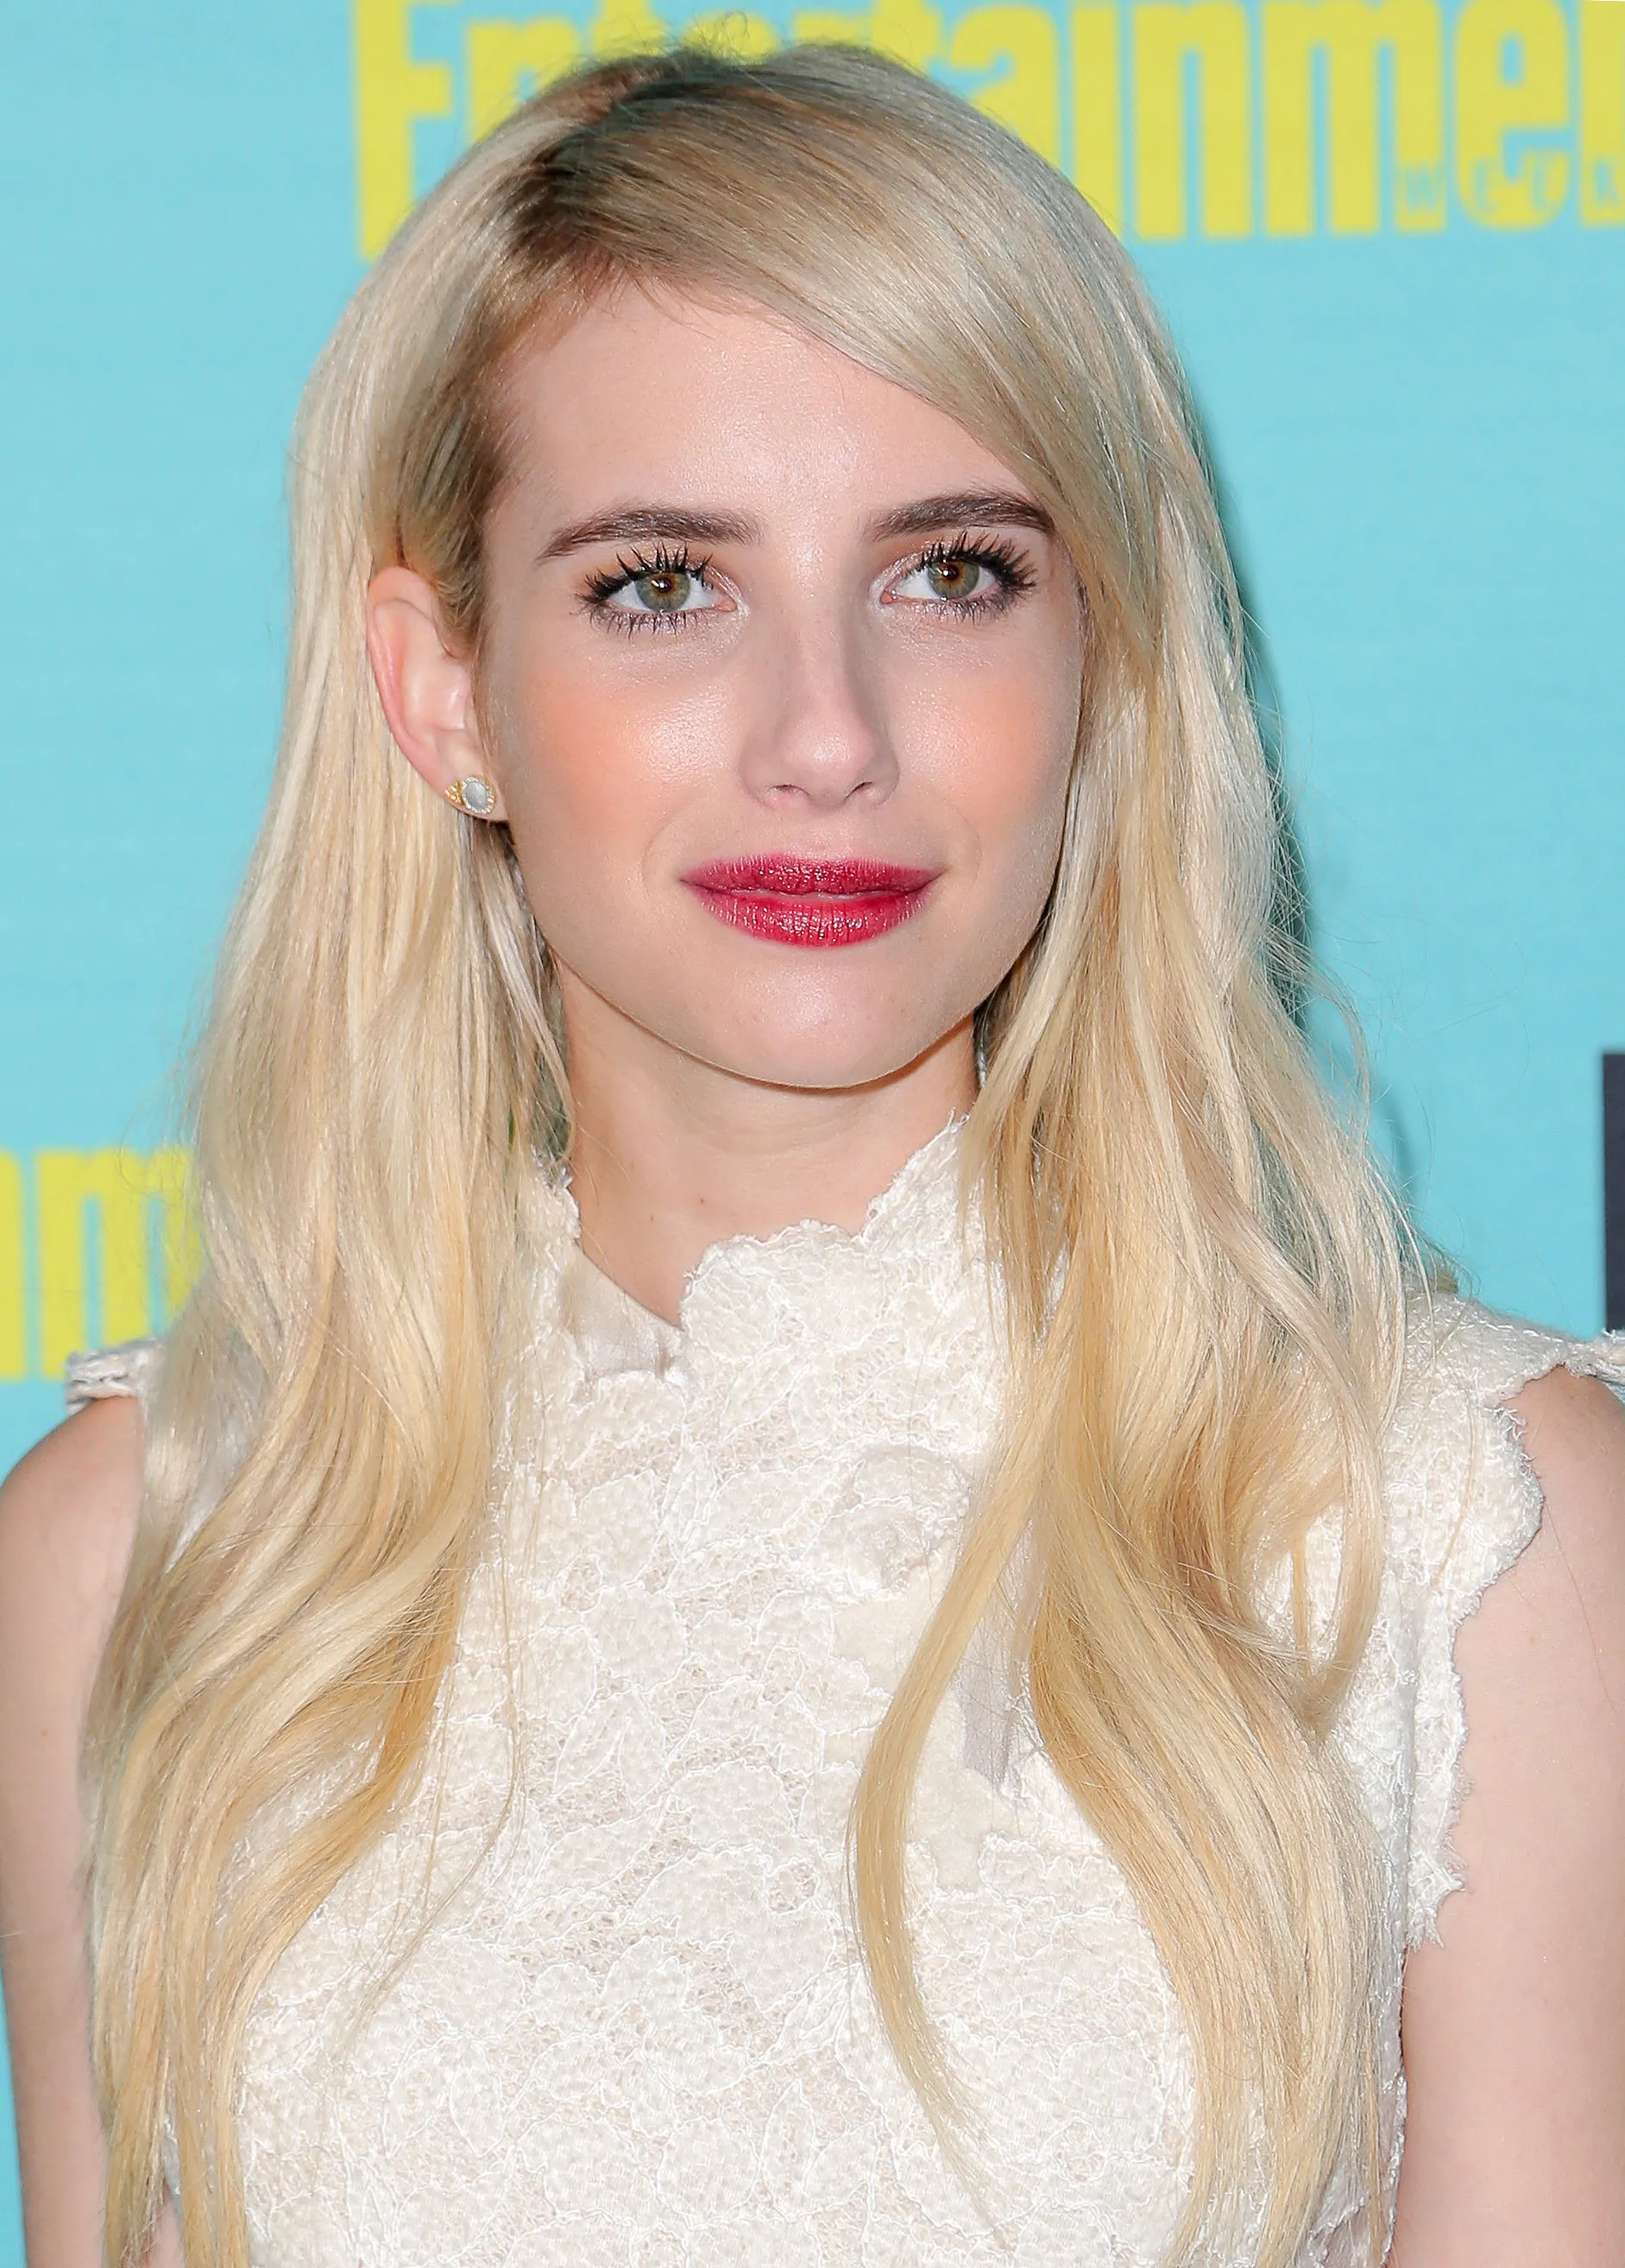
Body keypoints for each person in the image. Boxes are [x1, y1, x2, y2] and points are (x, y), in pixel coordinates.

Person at [2, 42, 1622, 2268]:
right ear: (445, 689)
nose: (828, 736)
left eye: (951, 573)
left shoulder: (1468, 1533)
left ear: (1106, 661)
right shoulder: (149, 1554)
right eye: (665, 586)